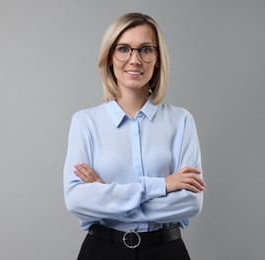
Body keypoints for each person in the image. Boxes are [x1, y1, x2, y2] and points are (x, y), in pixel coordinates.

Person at [63, 12, 205, 260]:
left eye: (146, 50)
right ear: (110, 57)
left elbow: (191, 203)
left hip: (166, 252)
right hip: (101, 251)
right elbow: (76, 200)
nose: (135, 59)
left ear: (158, 59)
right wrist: (162, 185)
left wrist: (106, 195)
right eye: (124, 49)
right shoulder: (85, 122)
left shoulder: (181, 121)